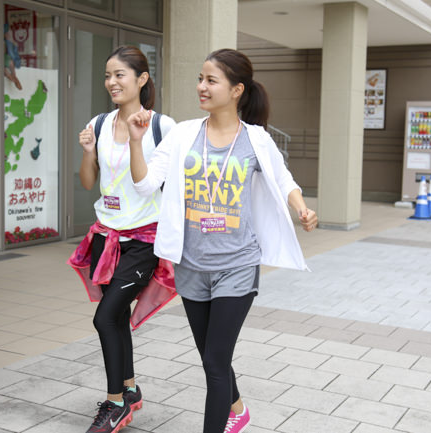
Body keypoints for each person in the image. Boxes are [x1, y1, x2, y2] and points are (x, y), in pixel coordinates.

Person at [126, 48, 318, 433]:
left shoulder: (256, 140)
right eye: (200, 78)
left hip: (237, 264)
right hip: (192, 265)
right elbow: (145, 183)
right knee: (211, 356)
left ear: (236, 90)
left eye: (211, 80)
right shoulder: (183, 135)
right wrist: (135, 141)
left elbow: (284, 180)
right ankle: (239, 408)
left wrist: (302, 207)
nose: (201, 86)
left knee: (214, 361)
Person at [67, 45, 176, 433]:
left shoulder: (163, 128)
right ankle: (129, 390)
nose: (111, 82)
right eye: (108, 75)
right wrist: (87, 151)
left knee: (105, 316)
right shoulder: (98, 123)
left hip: (144, 239)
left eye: (120, 75)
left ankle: (115, 404)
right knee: (114, 318)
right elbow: (87, 183)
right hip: (105, 235)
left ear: (142, 79)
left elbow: (151, 188)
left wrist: (135, 140)